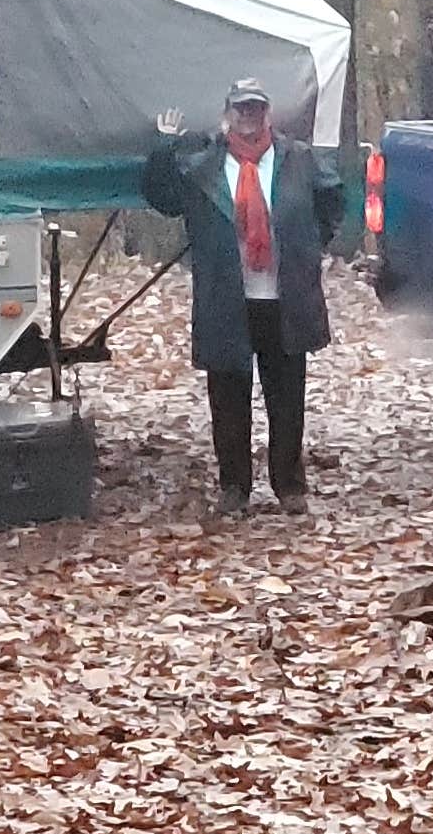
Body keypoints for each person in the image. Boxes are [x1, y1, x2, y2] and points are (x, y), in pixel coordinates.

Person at [144, 78, 350, 513]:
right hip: (226, 297)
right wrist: (164, 147)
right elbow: (162, 199)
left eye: (255, 108)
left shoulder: (298, 158)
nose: (248, 116)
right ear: (227, 114)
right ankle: (234, 488)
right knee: (228, 399)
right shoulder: (204, 164)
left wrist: (309, 246)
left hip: (284, 297)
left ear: (267, 113)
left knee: (287, 397)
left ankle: (290, 488)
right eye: (241, 108)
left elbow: (333, 200)